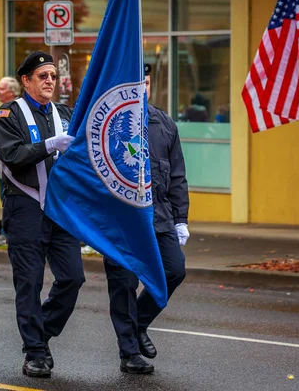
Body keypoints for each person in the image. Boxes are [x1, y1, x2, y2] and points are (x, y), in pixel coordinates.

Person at [0, 51, 85, 378]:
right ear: (26, 81)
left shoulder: (64, 112)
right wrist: (49, 145)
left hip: (60, 211)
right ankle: (35, 353)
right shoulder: (8, 114)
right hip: (25, 208)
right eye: (42, 76)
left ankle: (41, 334)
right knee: (29, 283)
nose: (49, 81)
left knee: (73, 277)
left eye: (52, 76)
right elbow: (12, 154)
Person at [104, 63, 189, 375]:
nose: (143, 89)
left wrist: (181, 219)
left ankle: (139, 323)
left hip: (160, 216)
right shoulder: (110, 122)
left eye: (148, 83)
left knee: (174, 270)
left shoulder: (163, 123)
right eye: (138, 83)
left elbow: (177, 175)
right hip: (123, 220)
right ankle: (129, 352)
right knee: (124, 283)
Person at [0, 76, 21, 247]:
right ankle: (5, 233)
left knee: (9, 202)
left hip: (11, 168)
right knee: (4, 202)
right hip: (1, 167)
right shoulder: (1, 110)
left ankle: (9, 234)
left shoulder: (16, 110)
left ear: (11, 91)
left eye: (1, 88)